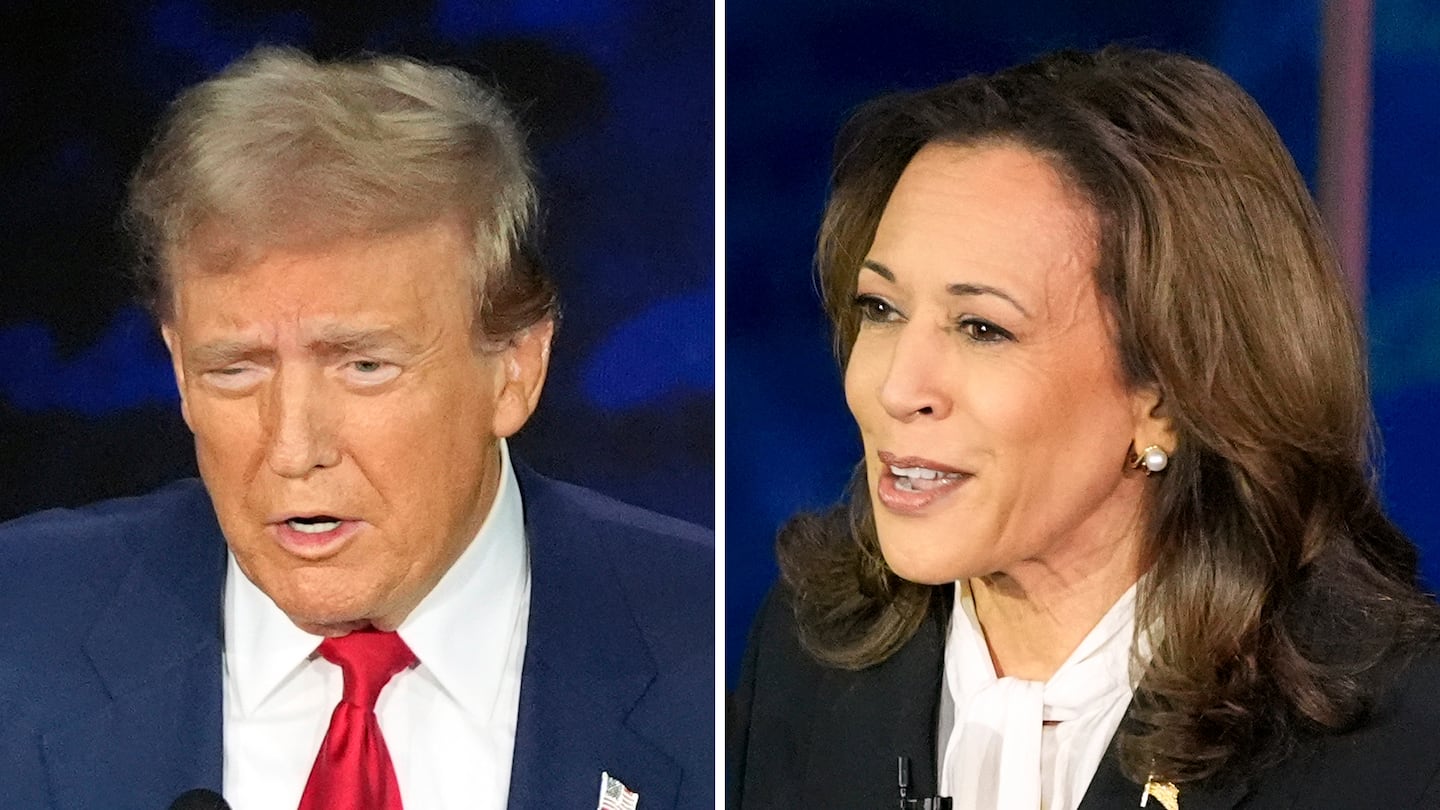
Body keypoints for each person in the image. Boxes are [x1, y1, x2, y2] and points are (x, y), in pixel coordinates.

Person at [0, 47, 712, 810]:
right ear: (178, 370)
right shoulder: (21, 623)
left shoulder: (712, 645)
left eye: (364, 366)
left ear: (515, 368)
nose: (294, 448)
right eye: (235, 369)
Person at [728, 47, 1440, 810]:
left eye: (981, 327)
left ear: (1168, 390)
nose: (897, 387)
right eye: (881, 309)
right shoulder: (807, 654)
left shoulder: (1398, 736)